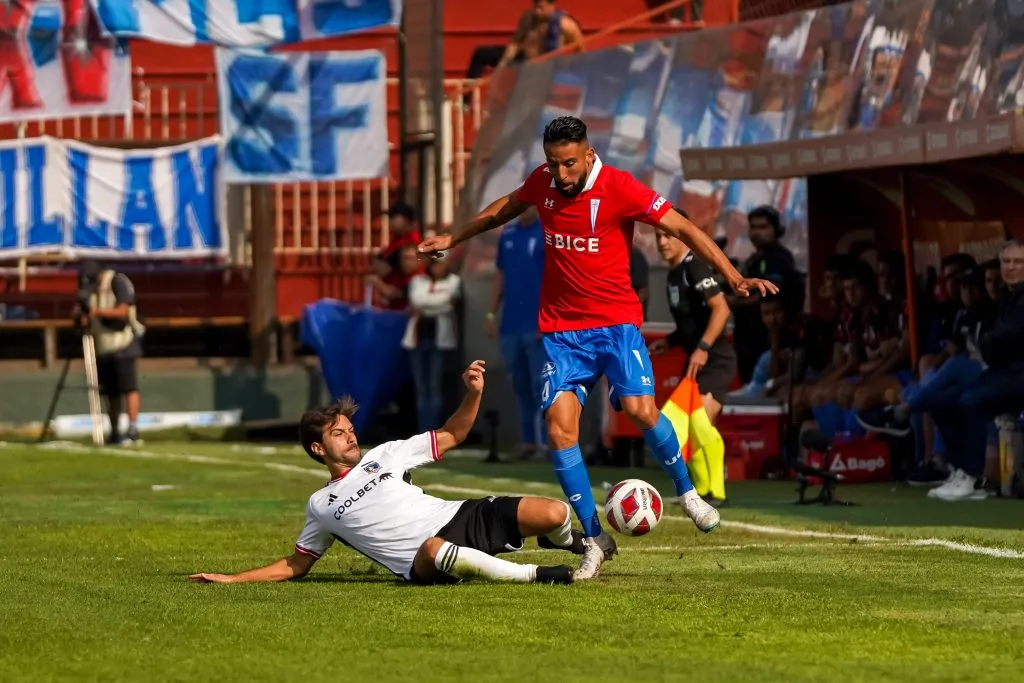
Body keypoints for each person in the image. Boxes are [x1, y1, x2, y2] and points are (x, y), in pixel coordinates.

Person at [418, 116, 777, 580]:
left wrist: (733, 276)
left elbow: (684, 228)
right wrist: (454, 237)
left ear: (588, 154)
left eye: (569, 163)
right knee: (559, 431)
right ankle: (593, 539)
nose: (561, 173)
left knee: (641, 410)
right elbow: (506, 207)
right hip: (562, 333)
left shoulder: (621, 188)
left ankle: (687, 493)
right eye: (553, 163)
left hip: (616, 327)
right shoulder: (544, 182)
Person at [190, 361, 584, 586]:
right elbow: (296, 564)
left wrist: (474, 393)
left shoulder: (387, 454)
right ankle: (536, 575)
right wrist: (232, 579)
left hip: (461, 515)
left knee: (555, 513)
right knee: (434, 549)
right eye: (338, 434)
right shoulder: (321, 505)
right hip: (423, 558)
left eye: (350, 429)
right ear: (318, 449)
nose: (350, 436)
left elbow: (453, 434)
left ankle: (565, 541)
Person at [647, 211, 737, 507]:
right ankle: (700, 491)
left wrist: (704, 347)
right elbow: (692, 321)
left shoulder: (695, 267)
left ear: (683, 236)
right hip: (697, 361)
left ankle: (718, 493)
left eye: (668, 235)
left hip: (716, 360)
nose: (662, 242)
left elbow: (721, 309)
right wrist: (671, 341)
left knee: (699, 423)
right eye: (658, 236)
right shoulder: (674, 274)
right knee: (677, 424)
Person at [486, 210, 547, 460]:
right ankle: (528, 442)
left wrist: (548, 318)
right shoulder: (508, 234)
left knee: (541, 385)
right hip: (510, 325)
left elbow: (556, 277)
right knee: (520, 385)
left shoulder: (547, 232)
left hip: (537, 325)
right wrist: (491, 313)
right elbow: (500, 275)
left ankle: (548, 443)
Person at [727, 206, 802, 383]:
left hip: (767, 341)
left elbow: (771, 294)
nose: (756, 232)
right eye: (753, 227)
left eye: (763, 227)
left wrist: (732, 302)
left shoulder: (779, 257)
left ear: (777, 230)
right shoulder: (753, 260)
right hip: (747, 340)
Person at [76, 260, 146, 446]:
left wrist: (97, 312)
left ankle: (132, 429)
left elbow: (123, 311)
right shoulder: (88, 288)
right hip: (102, 344)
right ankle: (114, 430)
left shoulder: (117, 281)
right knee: (110, 392)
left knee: (129, 387)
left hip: (123, 342)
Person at [403, 257, 462, 433]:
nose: (437, 267)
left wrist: (427, 304)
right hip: (418, 341)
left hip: (439, 342)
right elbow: (417, 301)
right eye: (434, 263)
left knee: (435, 387)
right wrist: (439, 302)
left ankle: (433, 432)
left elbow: (449, 305)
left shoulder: (454, 281)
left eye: (440, 263)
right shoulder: (417, 281)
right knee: (421, 388)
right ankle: (422, 432)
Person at [465, 0, 583, 81]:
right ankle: (465, 101)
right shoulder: (528, 18)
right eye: (535, 7)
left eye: (541, 8)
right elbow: (515, 43)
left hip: (545, 68)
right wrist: (502, 65)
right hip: (524, 60)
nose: (537, 11)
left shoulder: (566, 25)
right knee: (480, 54)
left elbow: (581, 50)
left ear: (551, 5)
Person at [366, 203, 423, 310]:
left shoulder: (410, 242)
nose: (390, 221)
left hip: (404, 304)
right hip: (393, 304)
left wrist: (377, 281)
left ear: (407, 220)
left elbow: (384, 269)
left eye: (394, 217)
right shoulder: (397, 239)